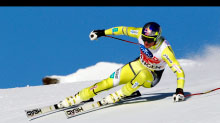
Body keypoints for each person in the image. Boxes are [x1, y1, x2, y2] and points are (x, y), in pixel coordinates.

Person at [56, 22, 185, 109]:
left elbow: (179, 71)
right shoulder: (139, 33)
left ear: (157, 38)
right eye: (144, 39)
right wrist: (102, 32)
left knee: (143, 74)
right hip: (138, 65)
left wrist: (179, 91)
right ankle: (80, 97)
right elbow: (122, 30)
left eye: (149, 40)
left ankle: (119, 95)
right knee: (108, 82)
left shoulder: (165, 50)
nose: (145, 42)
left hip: (151, 77)